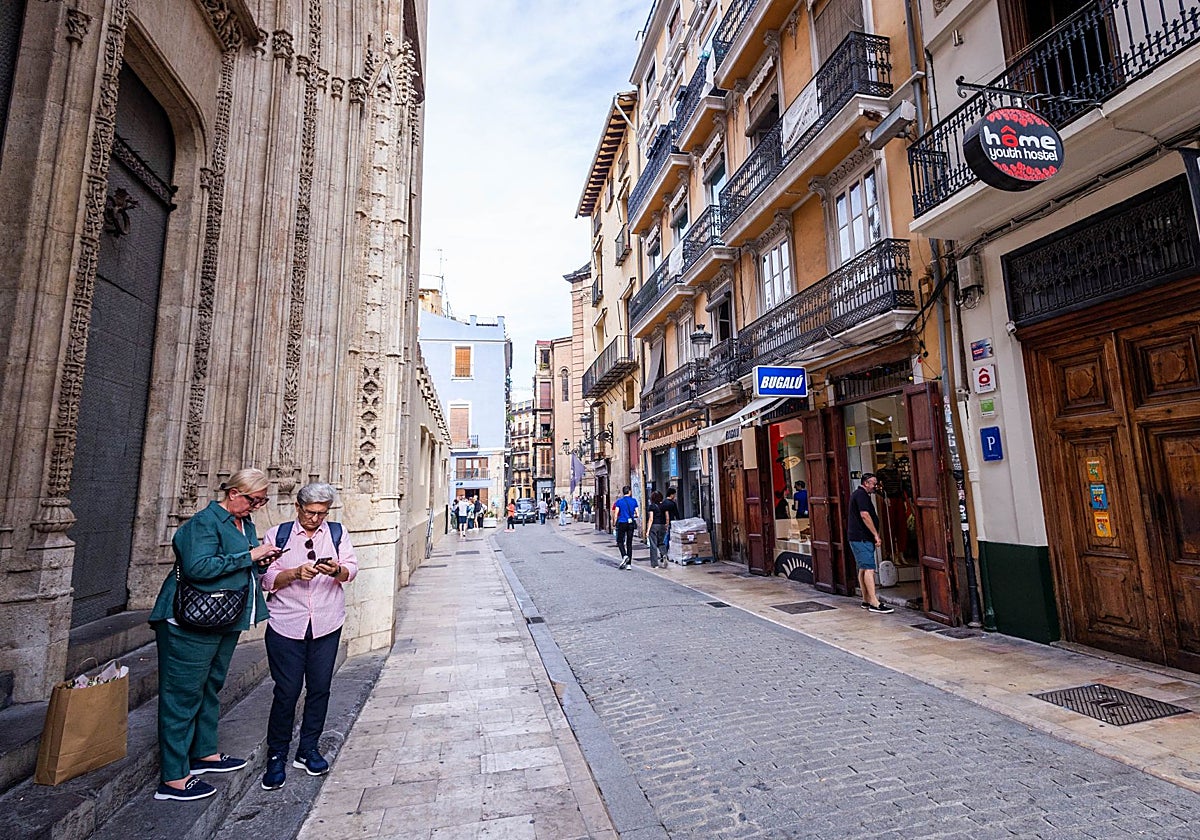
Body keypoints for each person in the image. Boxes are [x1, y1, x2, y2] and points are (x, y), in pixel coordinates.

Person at [148, 468, 280, 801]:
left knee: (210, 684)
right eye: (254, 500)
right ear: (234, 493)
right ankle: (174, 777)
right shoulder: (203, 523)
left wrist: (262, 561)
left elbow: (239, 563)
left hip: (225, 616)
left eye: (262, 502)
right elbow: (198, 567)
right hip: (191, 620)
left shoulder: (243, 523)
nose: (257, 507)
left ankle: (203, 752)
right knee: (182, 693)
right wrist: (249, 555)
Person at [258, 483, 358, 791]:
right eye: (311, 512)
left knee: (320, 689)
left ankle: (308, 749)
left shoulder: (337, 533)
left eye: (322, 513)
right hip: (286, 623)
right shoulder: (278, 535)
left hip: (326, 623)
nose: (316, 519)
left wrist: (336, 570)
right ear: (298, 507)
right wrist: (293, 574)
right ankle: (276, 756)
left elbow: (351, 571)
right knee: (287, 691)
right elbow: (266, 578)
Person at [848, 473, 894, 614]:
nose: (875, 486)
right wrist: (875, 534)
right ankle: (874, 602)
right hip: (862, 537)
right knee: (869, 568)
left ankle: (866, 599)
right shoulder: (861, 495)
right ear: (866, 483)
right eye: (873, 484)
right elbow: (865, 515)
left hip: (857, 537)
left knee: (863, 568)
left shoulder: (858, 494)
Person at [612, 485, 638, 569]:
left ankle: (624, 555)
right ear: (629, 492)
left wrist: (614, 522)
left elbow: (616, 514)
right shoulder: (634, 501)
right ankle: (629, 565)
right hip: (630, 523)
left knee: (620, 541)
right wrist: (632, 516)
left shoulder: (619, 502)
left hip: (622, 522)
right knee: (629, 543)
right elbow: (637, 514)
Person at [645, 491, 667, 569]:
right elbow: (667, 517)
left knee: (653, 544)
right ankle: (664, 554)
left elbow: (651, 519)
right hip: (662, 526)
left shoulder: (652, 506)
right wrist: (666, 525)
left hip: (654, 526)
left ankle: (655, 564)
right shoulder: (664, 506)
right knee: (661, 542)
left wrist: (648, 530)